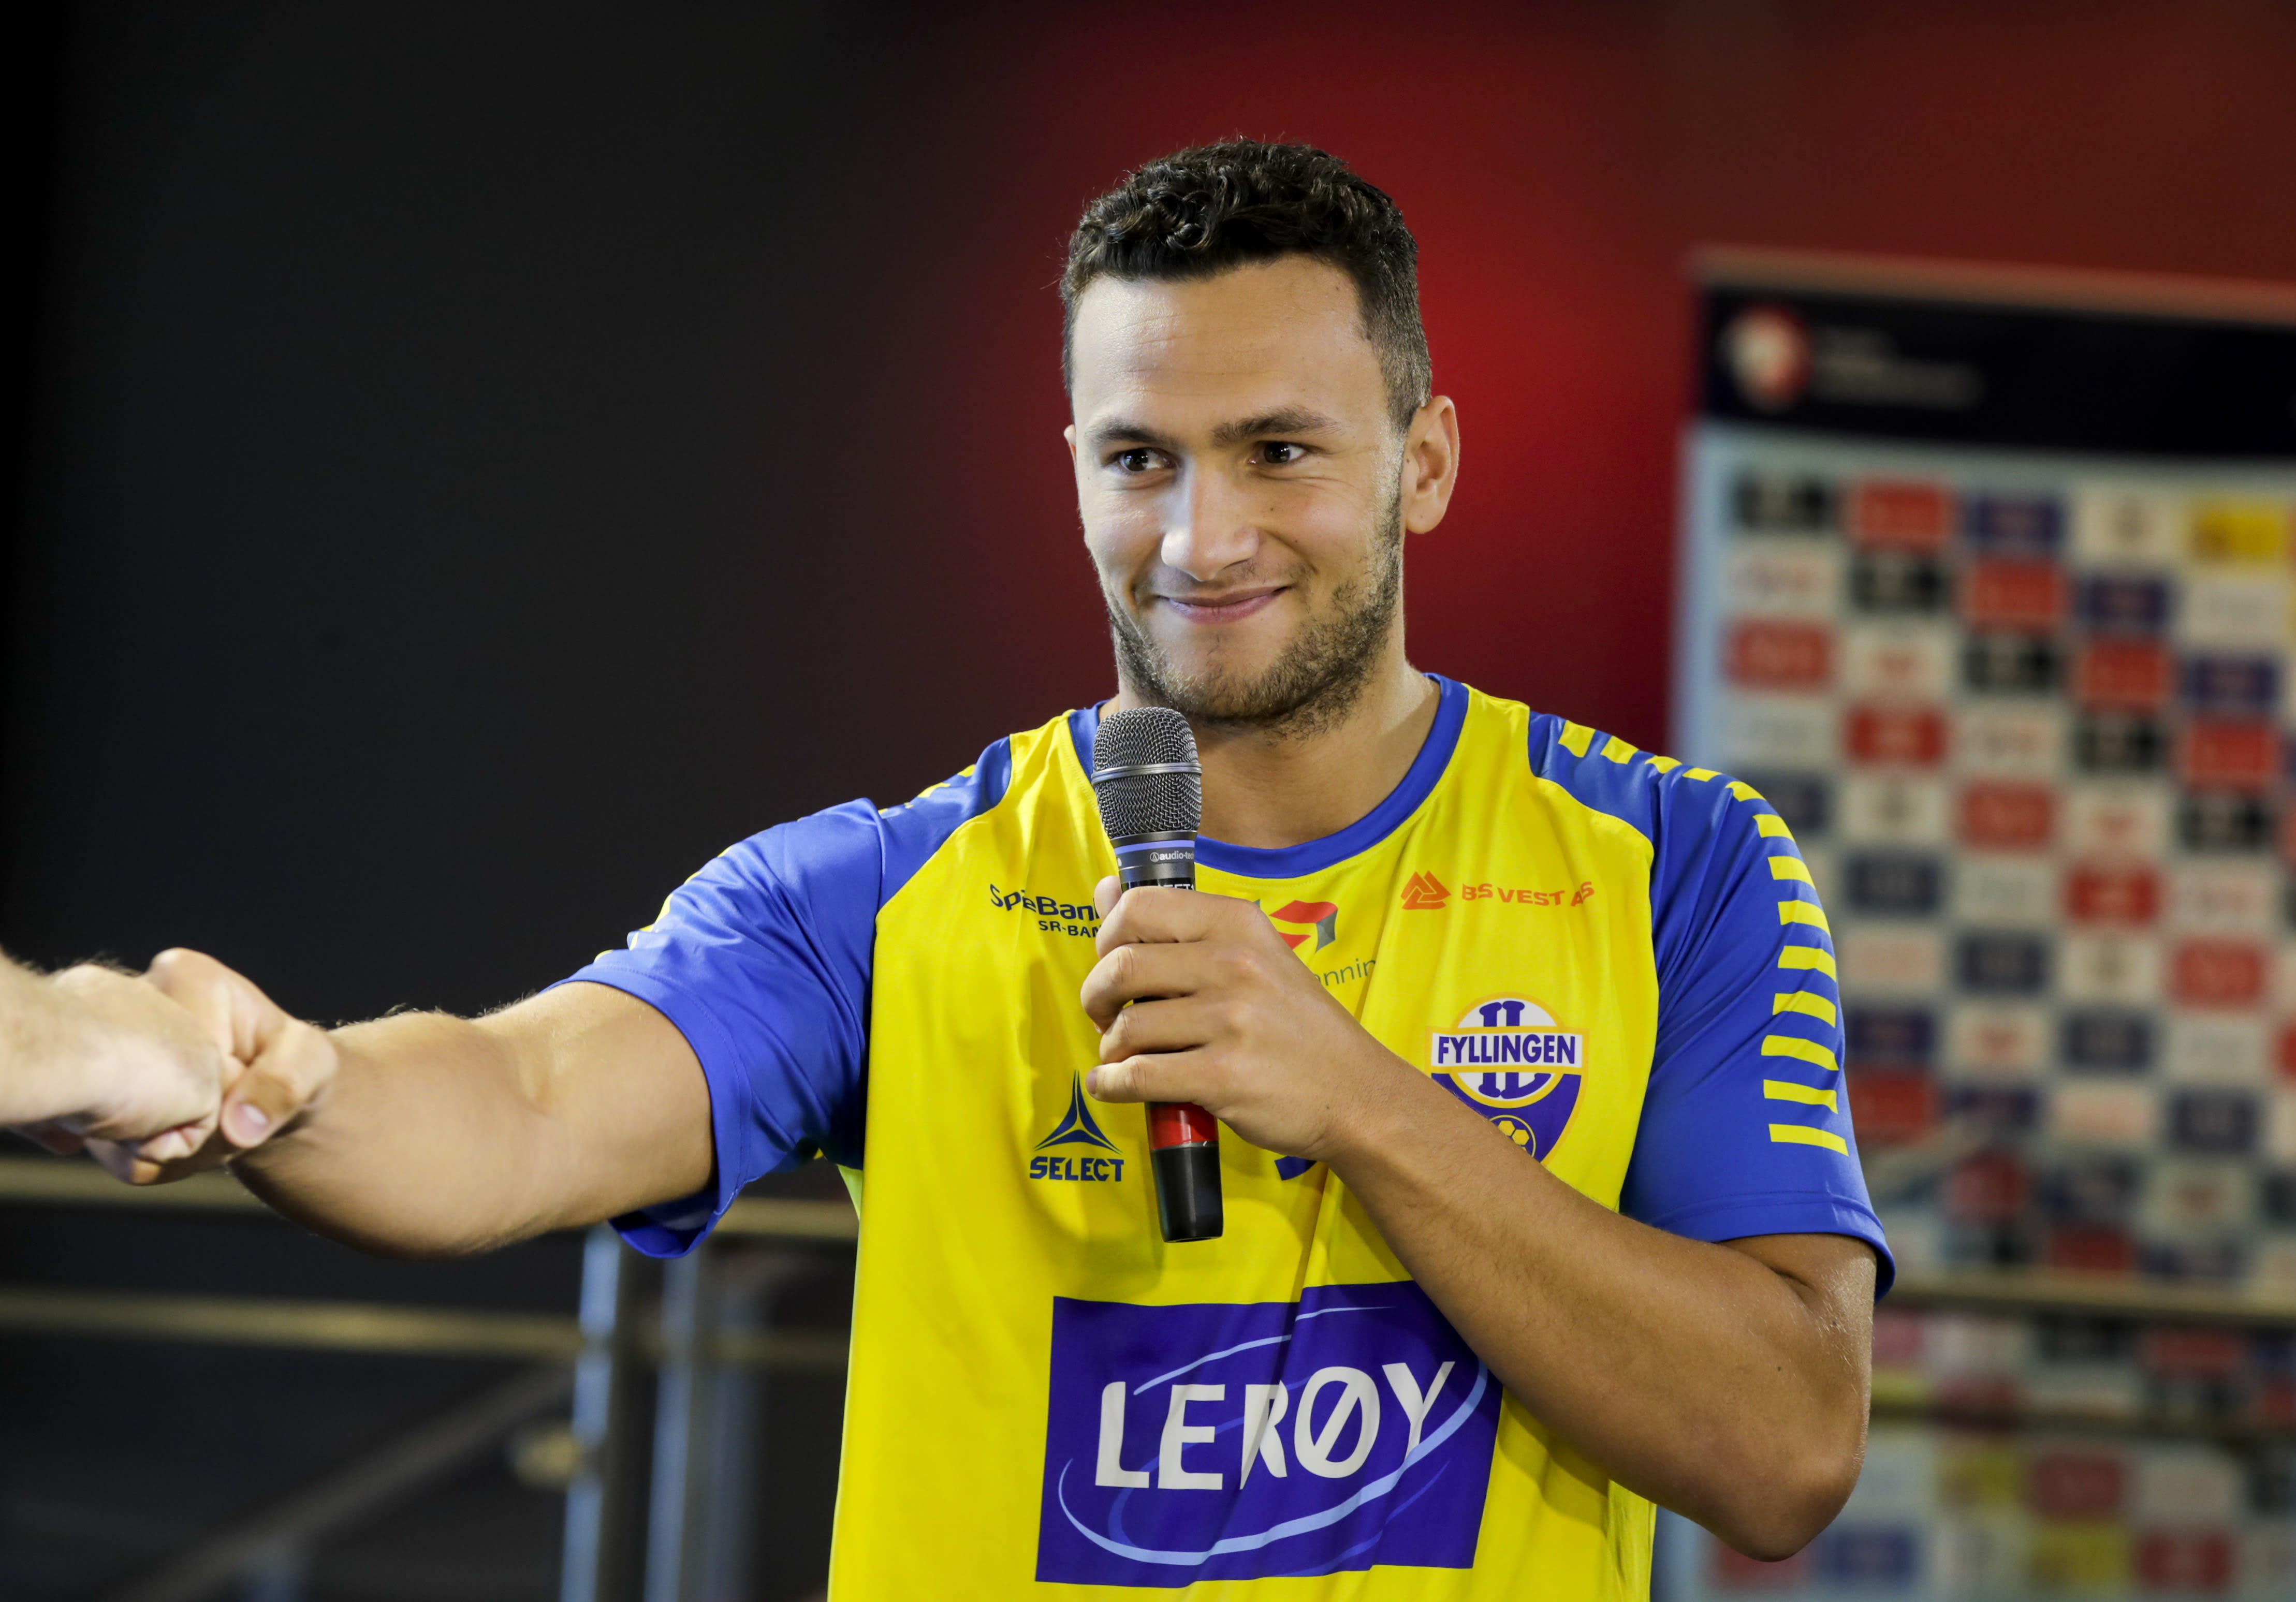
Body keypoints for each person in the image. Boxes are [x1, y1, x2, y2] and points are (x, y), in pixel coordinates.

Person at [6, 141, 1886, 1597]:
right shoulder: (887, 891)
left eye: (1277, 451)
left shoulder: (1678, 867)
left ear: (1426, 464)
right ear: (1071, 469)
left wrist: (1366, 1104)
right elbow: (519, 1105)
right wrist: (272, 1082)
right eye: (1139, 458)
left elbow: (1786, 1449)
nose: (1199, 535)